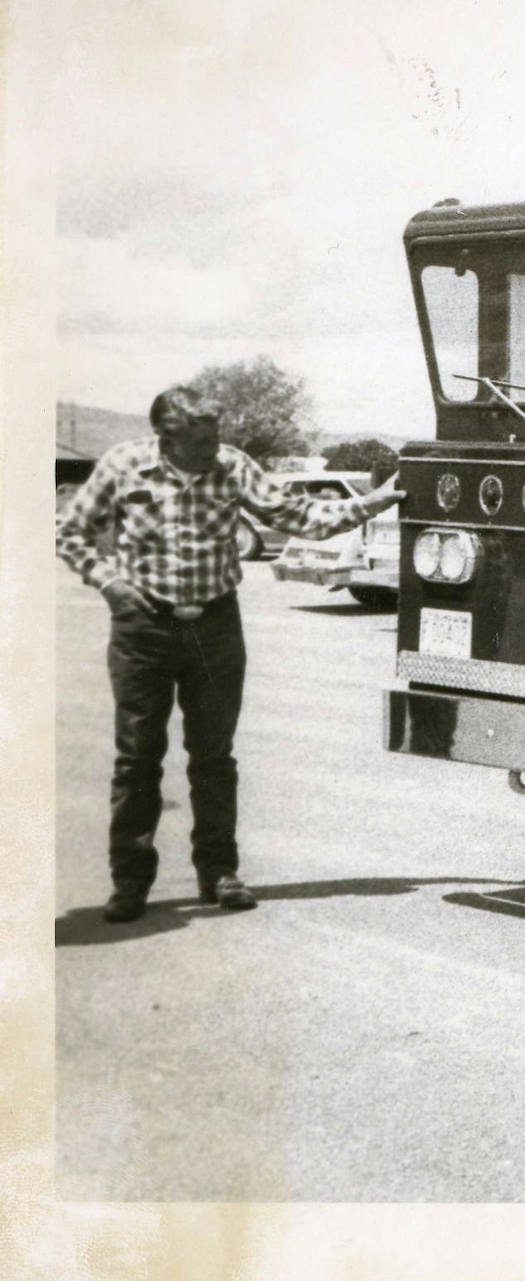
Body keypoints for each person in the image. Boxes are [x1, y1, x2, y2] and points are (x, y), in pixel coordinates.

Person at [57, 386, 404, 923]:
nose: (213, 449)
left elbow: (299, 515)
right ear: (166, 438)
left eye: (217, 437)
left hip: (215, 627)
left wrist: (375, 502)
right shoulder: (124, 465)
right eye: (201, 442)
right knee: (137, 760)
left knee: (214, 758)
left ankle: (219, 872)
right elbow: (70, 531)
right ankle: (130, 881)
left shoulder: (232, 466)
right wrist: (107, 582)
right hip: (142, 629)